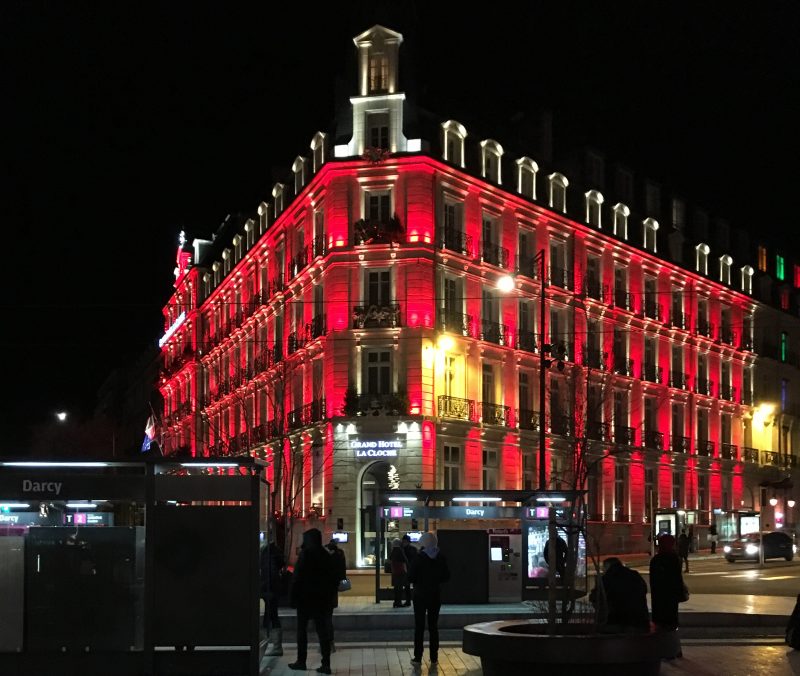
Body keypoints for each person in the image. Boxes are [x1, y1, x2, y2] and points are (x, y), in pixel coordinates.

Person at [288, 528, 339, 674]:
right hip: (321, 600)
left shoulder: (305, 555)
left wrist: (292, 597)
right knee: (322, 632)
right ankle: (326, 663)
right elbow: (333, 578)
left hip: (305, 599)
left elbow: (297, 578)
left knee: (302, 631)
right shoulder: (325, 555)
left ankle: (301, 661)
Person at [407, 532, 450, 668]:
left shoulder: (419, 558)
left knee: (419, 627)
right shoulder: (440, 557)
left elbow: (410, 577)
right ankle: (434, 657)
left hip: (420, 595)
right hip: (435, 595)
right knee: (433, 627)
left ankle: (418, 657)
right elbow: (446, 576)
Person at [590, 557, 649, 632]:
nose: (603, 571)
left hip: (617, 621)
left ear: (607, 566)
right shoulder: (635, 575)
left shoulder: (607, 578)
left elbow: (596, 597)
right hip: (640, 621)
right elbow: (644, 590)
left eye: (603, 568)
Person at [649, 534, 685, 658]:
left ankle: (662, 650)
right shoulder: (674, 558)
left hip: (659, 598)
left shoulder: (656, 560)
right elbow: (677, 579)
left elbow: (653, 581)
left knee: (660, 624)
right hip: (671, 597)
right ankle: (674, 649)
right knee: (672, 625)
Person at [260, 534, 286, 657]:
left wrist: (263, 588)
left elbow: (268, 573)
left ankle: (275, 646)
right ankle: (274, 645)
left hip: (269, 590)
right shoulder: (274, 551)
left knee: (272, 616)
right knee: (271, 615)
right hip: (273, 589)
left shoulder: (266, 553)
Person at [326, 538, 347, 653]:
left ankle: (328, 643)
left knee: (326, 618)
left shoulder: (326, 556)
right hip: (333, 586)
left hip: (325, 589)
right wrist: (342, 578)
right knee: (329, 615)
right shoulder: (340, 554)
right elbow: (343, 567)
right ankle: (330, 643)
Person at [390, 538, 409, 608]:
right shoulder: (399, 550)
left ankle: (396, 602)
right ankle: (398, 602)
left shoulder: (393, 551)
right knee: (400, 588)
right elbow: (405, 560)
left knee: (396, 588)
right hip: (400, 572)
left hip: (395, 572)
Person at [401, 534, 418, 607]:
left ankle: (408, 601)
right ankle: (413, 600)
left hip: (407, 570)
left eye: (405, 541)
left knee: (407, 586)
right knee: (412, 586)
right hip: (412, 569)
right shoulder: (414, 549)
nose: (404, 542)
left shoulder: (402, 549)